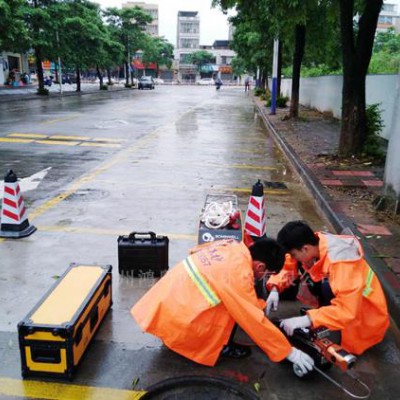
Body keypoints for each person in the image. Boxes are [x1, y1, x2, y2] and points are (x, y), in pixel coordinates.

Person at [131, 238, 314, 374]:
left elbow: (195, 251)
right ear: (260, 267)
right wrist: (288, 352)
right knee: (233, 310)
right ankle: (218, 346)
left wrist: (261, 301)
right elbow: (253, 321)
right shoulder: (239, 274)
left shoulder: (232, 246)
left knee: (233, 302)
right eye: (268, 274)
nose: (264, 278)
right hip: (181, 325)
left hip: (165, 305)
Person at [266, 221, 389, 355]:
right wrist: (275, 288)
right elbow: (289, 264)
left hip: (364, 317)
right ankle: (326, 314)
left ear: (305, 248)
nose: (294, 257)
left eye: (295, 254)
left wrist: (308, 319)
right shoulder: (316, 243)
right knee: (307, 269)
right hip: (347, 299)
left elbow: (347, 310)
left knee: (324, 285)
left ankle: (328, 318)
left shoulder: (341, 263)